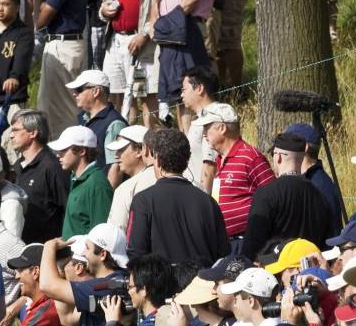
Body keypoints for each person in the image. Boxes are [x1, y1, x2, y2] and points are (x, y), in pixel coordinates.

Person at [126, 127, 228, 266]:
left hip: (161, 284)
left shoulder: (143, 200)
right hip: (201, 283)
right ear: (186, 160)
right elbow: (223, 253)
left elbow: (135, 252)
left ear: (158, 159)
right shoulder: (208, 202)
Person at [240, 133, 334, 260]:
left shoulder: (267, 194)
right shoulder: (319, 196)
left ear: (278, 157)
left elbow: (251, 246)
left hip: (276, 272)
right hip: (310, 271)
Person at [99, 0, 160, 121]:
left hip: (142, 42)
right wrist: (104, 11)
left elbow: (160, 11)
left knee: (144, 94)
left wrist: (145, 35)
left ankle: (149, 141)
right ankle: (124, 139)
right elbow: (104, 3)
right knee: (117, 94)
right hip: (115, 42)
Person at [37, 0, 91, 135]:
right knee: (55, 106)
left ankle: (71, 154)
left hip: (63, 46)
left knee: (64, 109)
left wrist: (42, 8)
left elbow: (43, 18)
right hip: (70, 43)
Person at [199, 103, 273, 246]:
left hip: (247, 241)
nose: (204, 133)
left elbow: (273, 198)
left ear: (222, 128)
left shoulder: (251, 157)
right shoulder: (219, 160)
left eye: (207, 128)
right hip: (226, 243)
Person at [9, 110, 70, 244]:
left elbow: (68, 209)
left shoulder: (53, 167)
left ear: (33, 132)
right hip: (21, 247)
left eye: (16, 130)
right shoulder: (17, 166)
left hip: (46, 249)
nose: (11, 135)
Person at [52, 125, 112, 237]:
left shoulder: (97, 184)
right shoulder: (76, 178)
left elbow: (100, 236)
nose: (58, 155)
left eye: (64, 150)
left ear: (82, 151)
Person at [105, 125, 152, 229]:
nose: (116, 155)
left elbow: (116, 234)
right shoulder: (172, 178)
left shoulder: (124, 190)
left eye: (121, 150)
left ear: (139, 150)